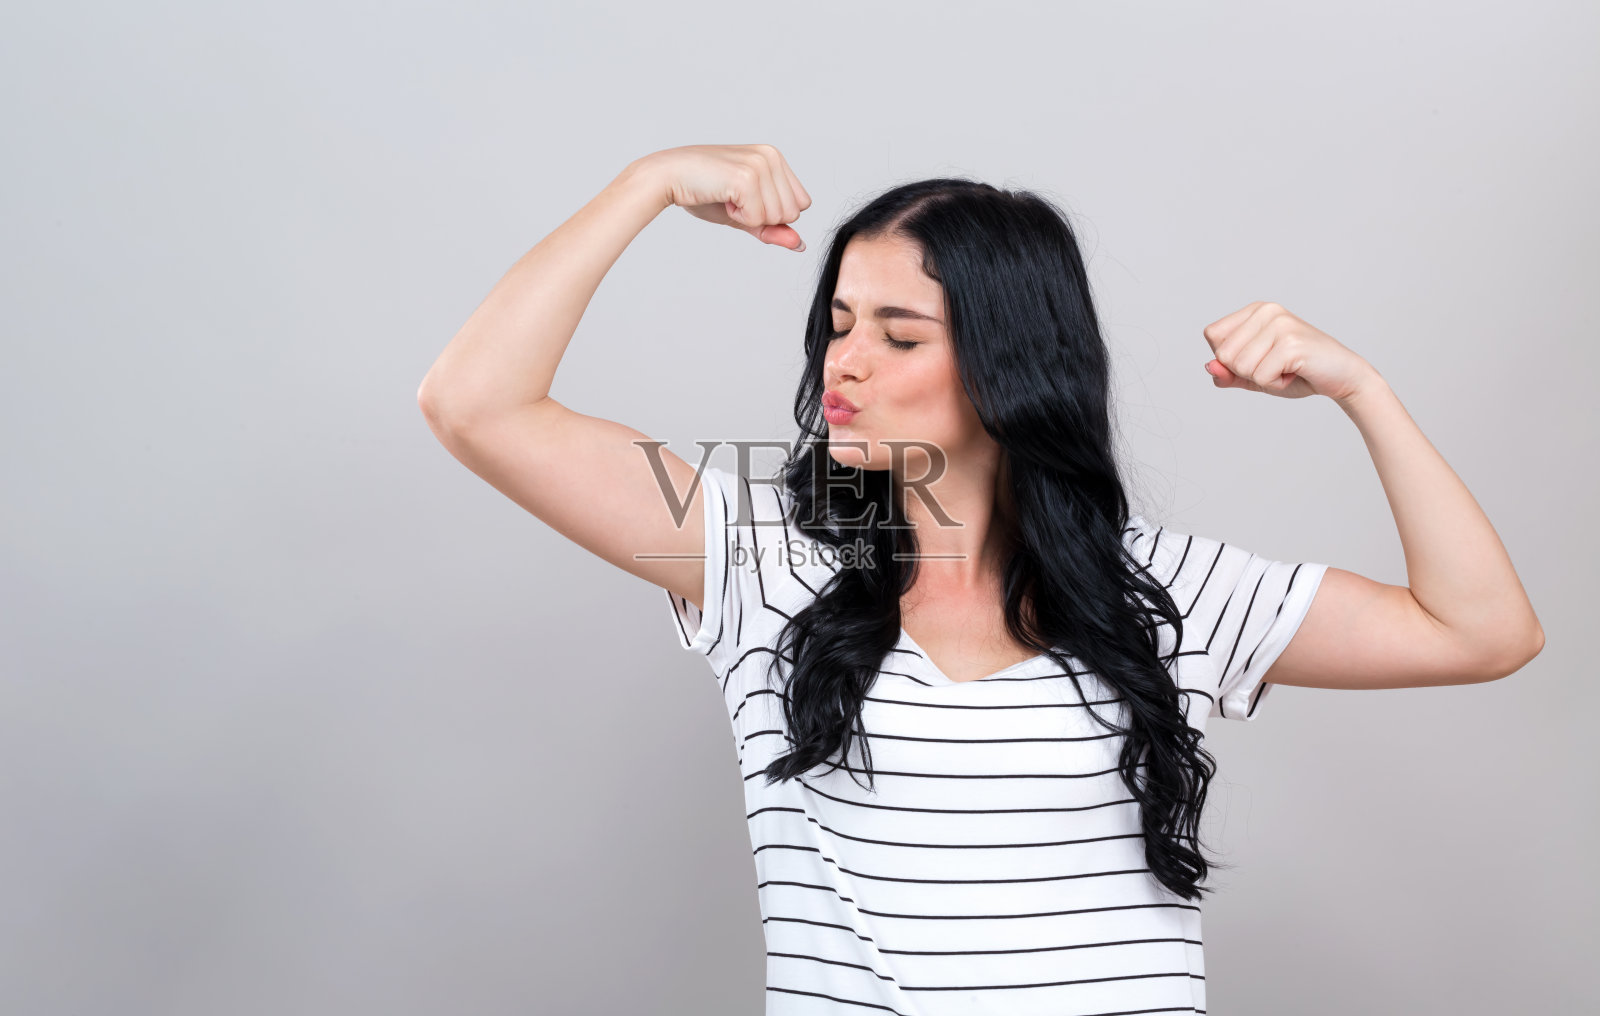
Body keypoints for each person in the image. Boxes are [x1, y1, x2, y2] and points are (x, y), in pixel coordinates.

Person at [416, 144, 1544, 1015]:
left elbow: (1480, 630)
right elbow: (476, 405)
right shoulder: (765, 557)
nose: (842, 364)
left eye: (899, 336)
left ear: (1008, 365)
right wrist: (649, 182)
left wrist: (1363, 391)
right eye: (837, 325)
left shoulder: (1158, 590)